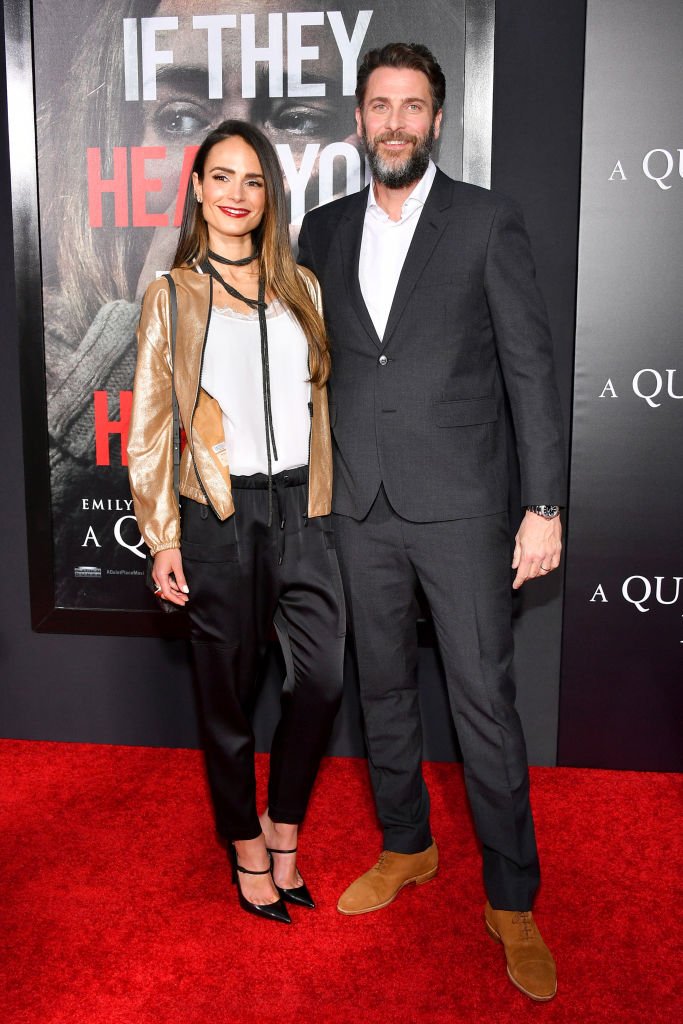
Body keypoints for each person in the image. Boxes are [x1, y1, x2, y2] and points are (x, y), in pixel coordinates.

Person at [297, 43, 565, 999]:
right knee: (381, 693)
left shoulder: (487, 220)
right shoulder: (321, 232)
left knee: (484, 706)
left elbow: (530, 371)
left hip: (462, 507)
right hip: (359, 508)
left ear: (437, 121)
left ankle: (511, 900)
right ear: (359, 120)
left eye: (413, 105)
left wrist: (542, 506)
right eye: (380, 105)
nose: (396, 121)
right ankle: (406, 844)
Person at [127, 119, 345, 924]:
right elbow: (150, 425)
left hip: (304, 510)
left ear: (268, 197)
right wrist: (163, 537)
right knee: (225, 697)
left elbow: (321, 402)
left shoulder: (303, 287)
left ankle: (284, 826)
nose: (236, 196)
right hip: (218, 516)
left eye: (252, 182)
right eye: (222, 178)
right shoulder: (172, 295)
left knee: (319, 680)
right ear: (197, 188)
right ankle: (245, 844)